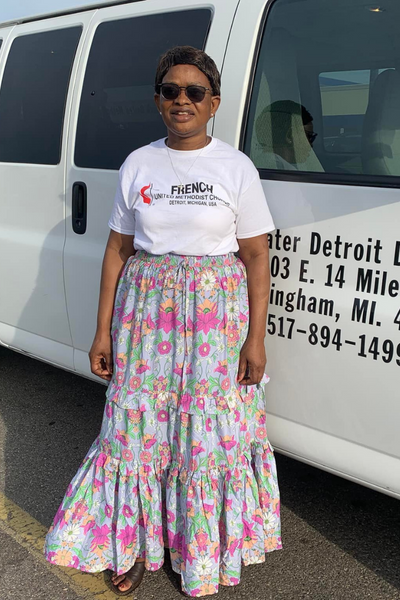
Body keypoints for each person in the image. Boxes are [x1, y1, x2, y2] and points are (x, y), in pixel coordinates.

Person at [44, 45, 281, 598]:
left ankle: (193, 550)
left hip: (214, 319)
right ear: (157, 101)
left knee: (203, 439)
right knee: (137, 434)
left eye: (194, 92)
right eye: (171, 91)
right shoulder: (139, 163)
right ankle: (130, 547)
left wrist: (256, 340)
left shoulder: (235, 167)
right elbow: (117, 250)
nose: (182, 100)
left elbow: (255, 256)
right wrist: (102, 330)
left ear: (213, 102)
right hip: (146, 317)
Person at [256, 100, 317, 169]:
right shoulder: (281, 172)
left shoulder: (259, 164)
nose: (311, 145)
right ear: (290, 136)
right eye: (309, 136)